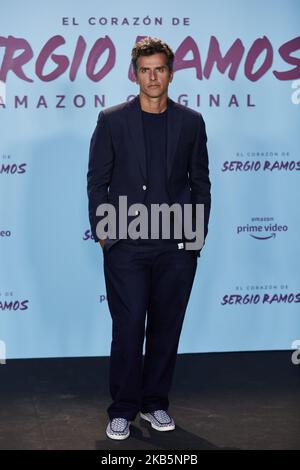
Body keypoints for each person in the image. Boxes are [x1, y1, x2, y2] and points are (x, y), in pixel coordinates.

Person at [87, 37, 211, 440]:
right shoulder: (112, 119)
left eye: (159, 69)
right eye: (145, 69)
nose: (153, 76)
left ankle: (155, 403)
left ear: (170, 73)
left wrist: (197, 235)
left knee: (166, 327)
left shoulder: (191, 122)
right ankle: (122, 409)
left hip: (176, 244)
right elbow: (97, 182)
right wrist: (106, 235)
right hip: (127, 244)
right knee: (127, 328)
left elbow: (201, 183)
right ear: (135, 73)